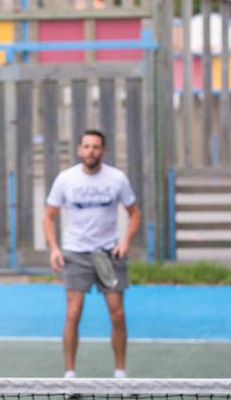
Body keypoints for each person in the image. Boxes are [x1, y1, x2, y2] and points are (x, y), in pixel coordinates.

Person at [43, 129, 141, 379]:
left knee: (117, 313)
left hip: (109, 254)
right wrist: (54, 248)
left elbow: (134, 213)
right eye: (86, 146)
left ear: (103, 151)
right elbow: (48, 216)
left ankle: (120, 373)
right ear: (79, 150)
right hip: (76, 254)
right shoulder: (66, 179)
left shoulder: (117, 179)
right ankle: (70, 376)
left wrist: (125, 242)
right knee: (73, 313)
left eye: (96, 147)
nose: (91, 151)